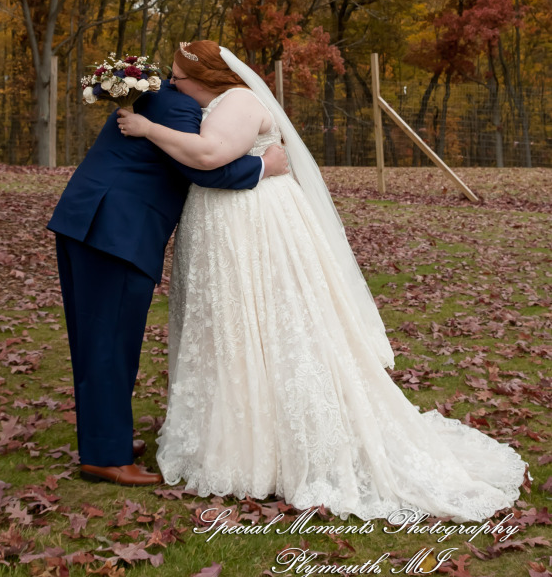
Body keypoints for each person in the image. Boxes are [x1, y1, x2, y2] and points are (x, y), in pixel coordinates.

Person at [116, 40, 527, 520]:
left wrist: (147, 127)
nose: (173, 87)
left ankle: (284, 443)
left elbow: (209, 155)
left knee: (270, 322)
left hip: (255, 225)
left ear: (206, 78)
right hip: (224, 225)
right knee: (227, 329)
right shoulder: (217, 103)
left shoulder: (240, 101)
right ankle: (233, 434)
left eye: (178, 79)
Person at [47, 74, 288, 487]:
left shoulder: (155, 100)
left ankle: (106, 439)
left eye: (178, 74)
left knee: (93, 342)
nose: (173, 79)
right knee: (109, 346)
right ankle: (107, 457)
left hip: (86, 223)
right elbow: (205, 170)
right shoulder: (178, 108)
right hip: (116, 235)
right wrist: (266, 165)